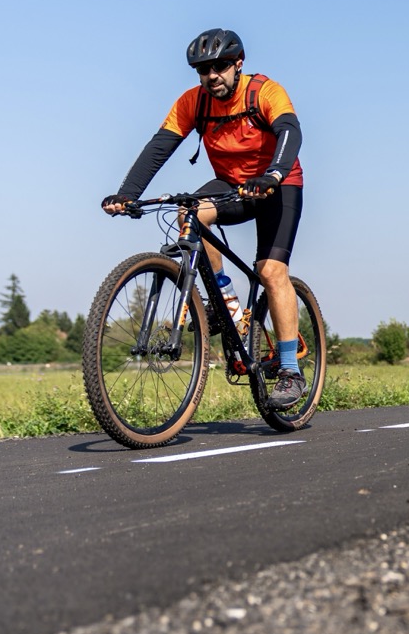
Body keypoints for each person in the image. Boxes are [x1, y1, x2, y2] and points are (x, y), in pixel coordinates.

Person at [102, 28, 307, 409]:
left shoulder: (263, 92)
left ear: (237, 64)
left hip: (277, 186)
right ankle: (227, 305)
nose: (212, 75)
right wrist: (127, 193)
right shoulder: (193, 102)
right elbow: (158, 148)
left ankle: (291, 370)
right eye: (203, 70)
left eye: (220, 67)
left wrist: (274, 174)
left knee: (270, 271)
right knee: (190, 211)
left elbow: (289, 132)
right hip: (231, 185)